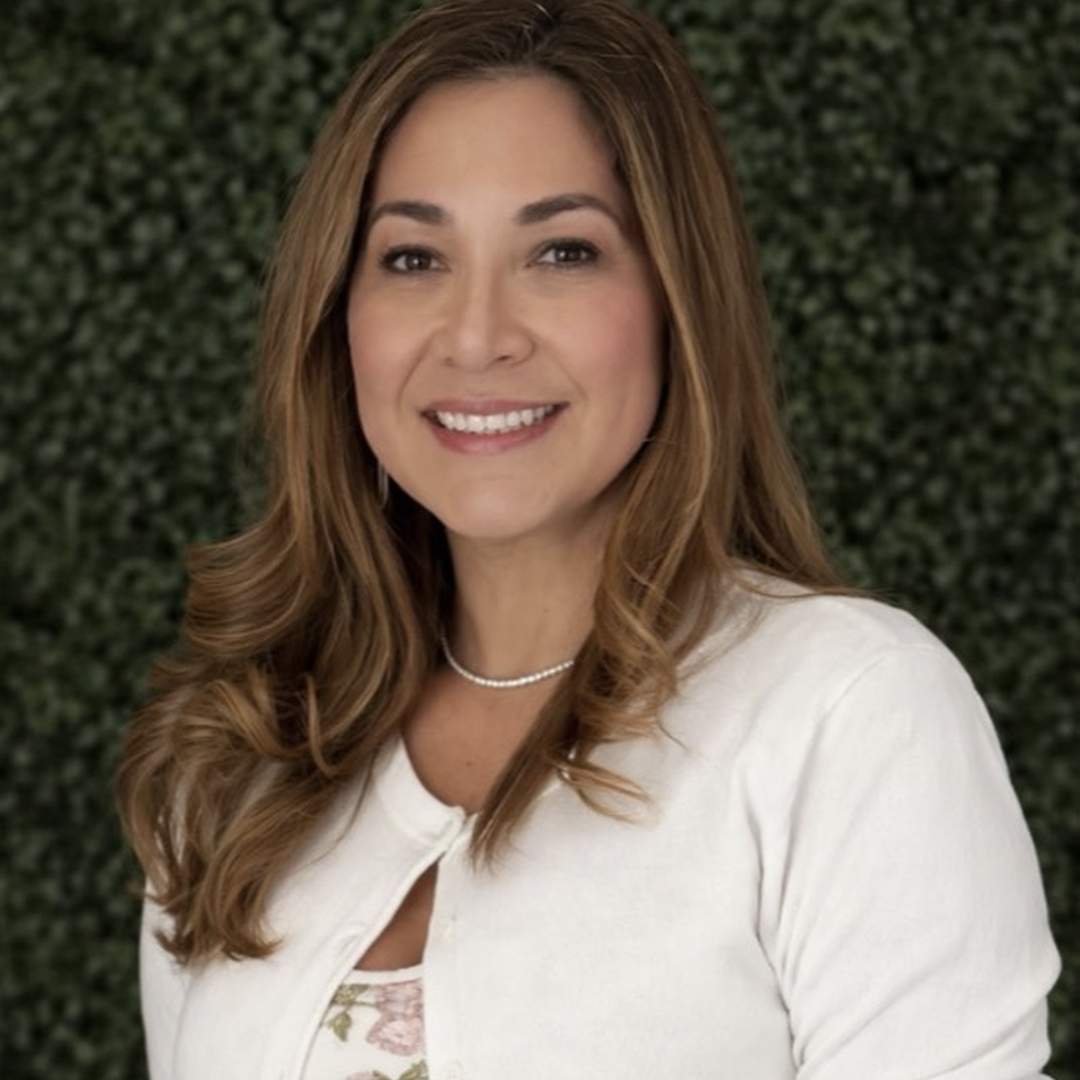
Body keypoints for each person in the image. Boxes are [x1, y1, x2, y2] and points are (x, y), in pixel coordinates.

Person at [116, 1, 1060, 1078]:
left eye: (562, 251)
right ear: (339, 317)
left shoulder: (847, 715)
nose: (476, 336)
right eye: (415, 259)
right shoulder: (240, 762)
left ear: (676, 298)